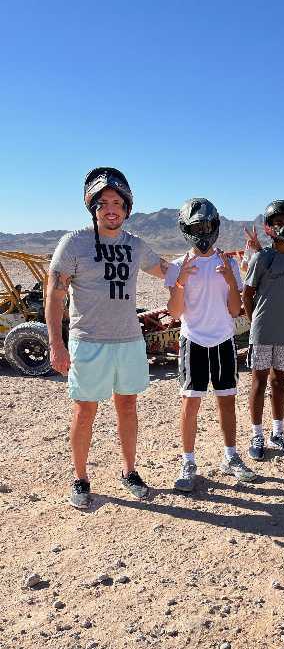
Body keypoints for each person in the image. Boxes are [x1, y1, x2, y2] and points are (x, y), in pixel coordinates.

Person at [46, 167, 172, 509]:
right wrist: (56, 344)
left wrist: (202, 265)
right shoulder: (74, 243)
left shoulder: (135, 245)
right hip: (88, 342)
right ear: (93, 207)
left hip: (129, 341)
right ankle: (80, 478)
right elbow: (54, 295)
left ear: (127, 208)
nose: (111, 209)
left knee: (128, 406)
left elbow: (166, 270)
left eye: (117, 203)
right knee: (85, 410)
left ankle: (129, 471)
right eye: (103, 203)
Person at [165, 198, 256, 490]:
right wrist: (180, 282)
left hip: (223, 341)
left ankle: (231, 457)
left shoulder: (229, 263)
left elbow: (235, 310)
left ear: (215, 226)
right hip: (193, 341)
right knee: (190, 403)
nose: (203, 233)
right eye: (197, 227)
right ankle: (188, 462)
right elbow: (175, 312)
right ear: (186, 229)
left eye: (207, 226)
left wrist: (230, 280)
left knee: (227, 402)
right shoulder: (177, 266)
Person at [242, 200, 284, 460]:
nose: (283, 227)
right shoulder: (261, 258)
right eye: (277, 222)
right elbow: (247, 294)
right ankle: (256, 434)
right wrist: (254, 323)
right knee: (258, 382)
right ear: (269, 227)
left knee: (279, 381)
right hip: (262, 331)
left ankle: (277, 433)